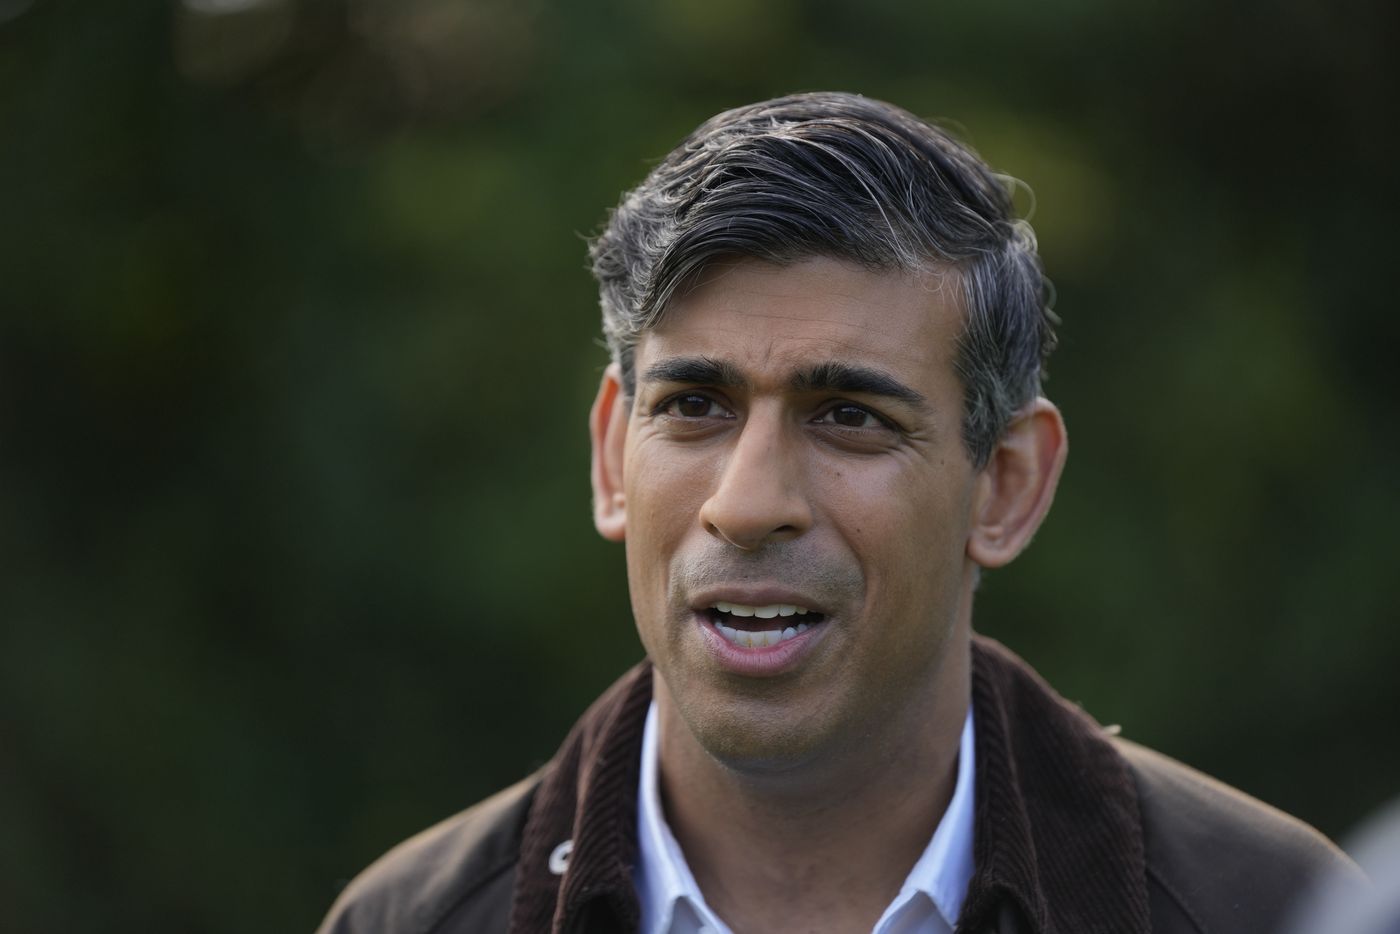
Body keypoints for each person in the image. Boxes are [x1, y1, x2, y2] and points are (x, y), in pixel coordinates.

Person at [317, 92, 1357, 934]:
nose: (749, 504)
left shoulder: (1279, 913)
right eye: (694, 405)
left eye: (849, 417)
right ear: (610, 457)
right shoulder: (409, 920)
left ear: (1005, 485)